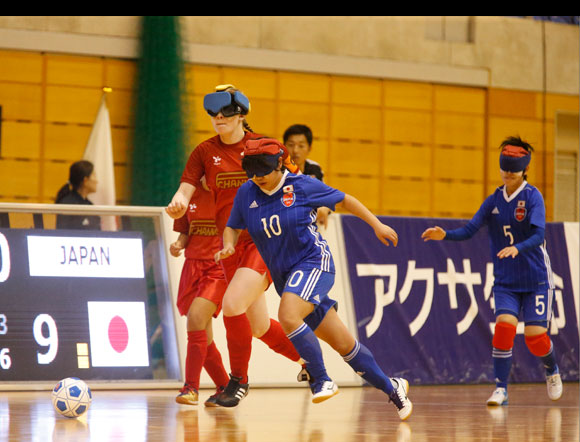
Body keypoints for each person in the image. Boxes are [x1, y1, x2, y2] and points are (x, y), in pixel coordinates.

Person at [216, 137, 413, 419]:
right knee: (344, 345)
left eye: (263, 172)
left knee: (287, 314)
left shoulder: (302, 185)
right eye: (252, 172)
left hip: (313, 263)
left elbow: (345, 200)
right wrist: (229, 244)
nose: (257, 178)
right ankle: (393, 388)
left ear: (279, 165)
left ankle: (321, 379)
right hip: (287, 276)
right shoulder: (247, 192)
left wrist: (376, 225)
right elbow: (232, 226)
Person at [166, 84, 306, 408]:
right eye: (213, 114)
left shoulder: (262, 147)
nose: (218, 118)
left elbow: (299, 180)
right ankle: (309, 360)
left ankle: (238, 381)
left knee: (231, 305)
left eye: (226, 113)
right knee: (257, 325)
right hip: (228, 245)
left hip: (262, 241)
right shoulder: (203, 152)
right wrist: (177, 203)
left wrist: (319, 205)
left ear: (241, 114)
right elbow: (185, 189)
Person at [421, 136, 562, 406]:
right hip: (506, 281)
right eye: (504, 168)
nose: (508, 173)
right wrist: (445, 235)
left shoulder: (533, 197)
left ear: (524, 170)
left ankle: (552, 369)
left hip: (536, 280)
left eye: (514, 169)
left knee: (534, 336)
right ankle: (501, 388)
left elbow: (539, 235)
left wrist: (517, 248)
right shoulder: (494, 201)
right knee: (504, 328)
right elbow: (470, 229)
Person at [170, 177, 230, 406]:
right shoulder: (188, 195)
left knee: (195, 320)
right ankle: (225, 386)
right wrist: (178, 244)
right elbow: (186, 232)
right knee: (204, 335)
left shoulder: (227, 196)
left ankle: (191, 387)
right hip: (192, 267)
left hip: (217, 268)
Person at [55, 160, 101, 230]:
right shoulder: (67, 205)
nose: (97, 181)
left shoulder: (90, 205)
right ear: (85, 180)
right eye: (94, 175)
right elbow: (63, 233)